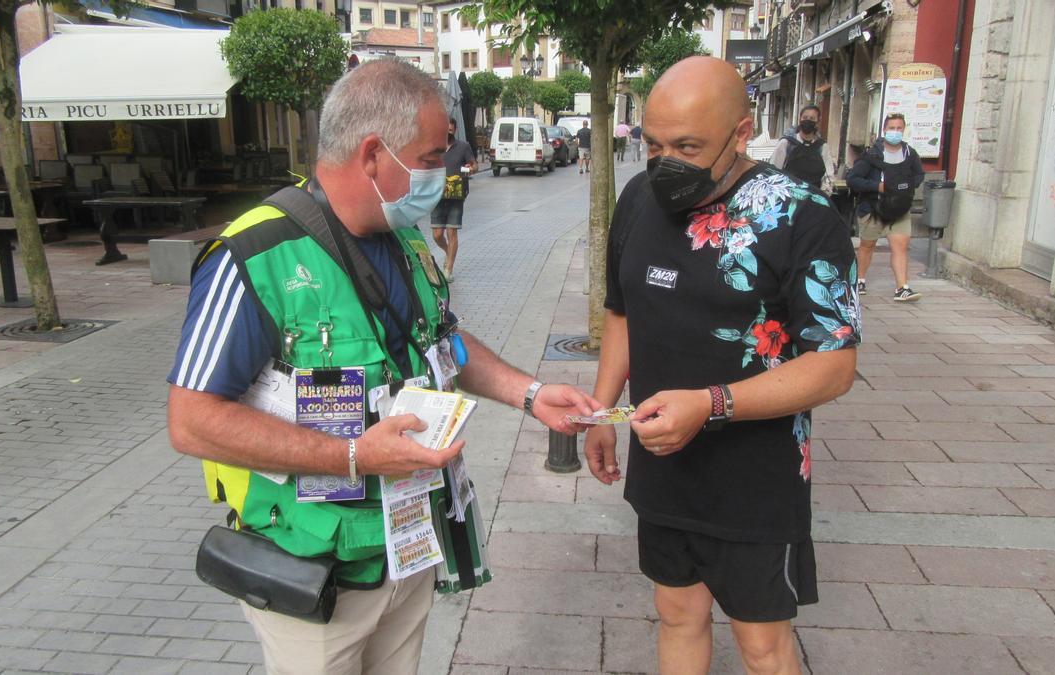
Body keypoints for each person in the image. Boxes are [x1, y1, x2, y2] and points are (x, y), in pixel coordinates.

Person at [167, 60, 600, 675]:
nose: (442, 174)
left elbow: (440, 339)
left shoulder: (406, 238)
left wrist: (529, 393)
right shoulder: (253, 258)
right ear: (373, 155)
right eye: (429, 159)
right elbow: (192, 423)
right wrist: (354, 459)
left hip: (406, 548)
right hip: (313, 575)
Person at [585, 56, 859, 675]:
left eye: (687, 145)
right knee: (676, 613)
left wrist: (711, 403)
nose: (666, 163)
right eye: (653, 144)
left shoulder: (802, 217)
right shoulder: (636, 199)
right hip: (663, 464)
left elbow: (834, 364)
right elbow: (622, 311)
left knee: (762, 645)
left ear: (741, 132)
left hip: (755, 476)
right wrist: (602, 410)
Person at [847, 112, 925, 301]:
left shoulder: (909, 154)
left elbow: (919, 174)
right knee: (867, 245)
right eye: (892, 128)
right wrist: (877, 186)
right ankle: (860, 279)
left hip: (899, 208)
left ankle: (902, 287)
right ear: (884, 130)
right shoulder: (871, 155)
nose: (895, 132)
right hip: (874, 208)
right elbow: (853, 179)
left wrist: (905, 186)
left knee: (900, 246)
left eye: (899, 128)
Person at [431, 119, 476, 282]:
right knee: (436, 234)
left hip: (456, 195)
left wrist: (471, 169)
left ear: (455, 130)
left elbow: (474, 165)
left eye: (450, 129)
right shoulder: (435, 147)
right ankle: (448, 252)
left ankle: (448, 270)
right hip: (437, 195)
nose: (448, 132)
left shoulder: (463, 147)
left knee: (451, 232)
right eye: (445, 129)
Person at [771, 104, 836, 192]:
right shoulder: (787, 144)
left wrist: (824, 193)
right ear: (800, 119)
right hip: (789, 195)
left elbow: (829, 175)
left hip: (814, 197)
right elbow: (774, 170)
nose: (808, 121)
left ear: (817, 122)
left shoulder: (822, 147)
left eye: (812, 118)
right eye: (805, 117)